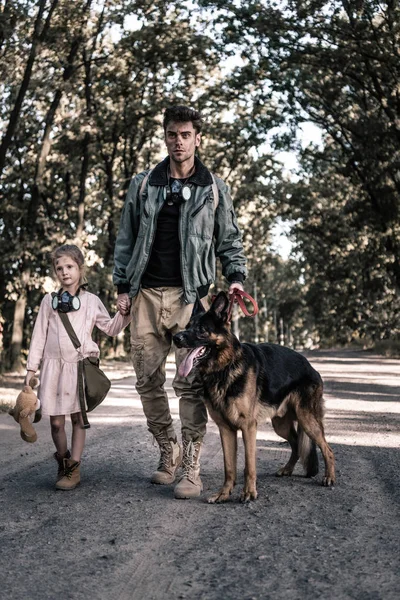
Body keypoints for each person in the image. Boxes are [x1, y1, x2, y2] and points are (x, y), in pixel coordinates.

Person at [113, 105, 247, 499]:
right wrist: (123, 286)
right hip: (145, 297)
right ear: (165, 136)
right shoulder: (143, 184)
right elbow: (125, 240)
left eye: (186, 134)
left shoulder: (213, 188)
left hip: (192, 299)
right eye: (172, 134)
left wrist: (236, 280)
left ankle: (191, 467)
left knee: (189, 384)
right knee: (146, 381)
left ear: (197, 138)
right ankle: (166, 449)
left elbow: (229, 241)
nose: (179, 141)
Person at [25, 244, 131, 490]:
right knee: (55, 423)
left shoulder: (92, 301)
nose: (64, 272)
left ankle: (74, 466)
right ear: (55, 272)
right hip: (53, 369)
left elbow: (112, 328)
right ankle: (62, 460)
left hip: (78, 368)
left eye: (69, 266)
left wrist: (125, 313)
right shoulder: (48, 302)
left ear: (80, 268)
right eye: (59, 268)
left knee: (78, 418)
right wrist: (30, 372)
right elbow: (38, 337)